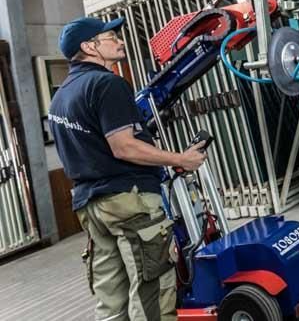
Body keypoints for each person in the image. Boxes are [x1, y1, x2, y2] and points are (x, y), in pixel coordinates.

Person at [48, 16, 208, 321]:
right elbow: (124, 146)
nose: (120, 41)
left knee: (112, 298)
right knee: (151, 289)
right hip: (128, 202)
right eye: (111, 37)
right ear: (90, 46)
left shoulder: (60, 98)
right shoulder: (106, 83)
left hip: (91, 207)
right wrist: (180, 159)